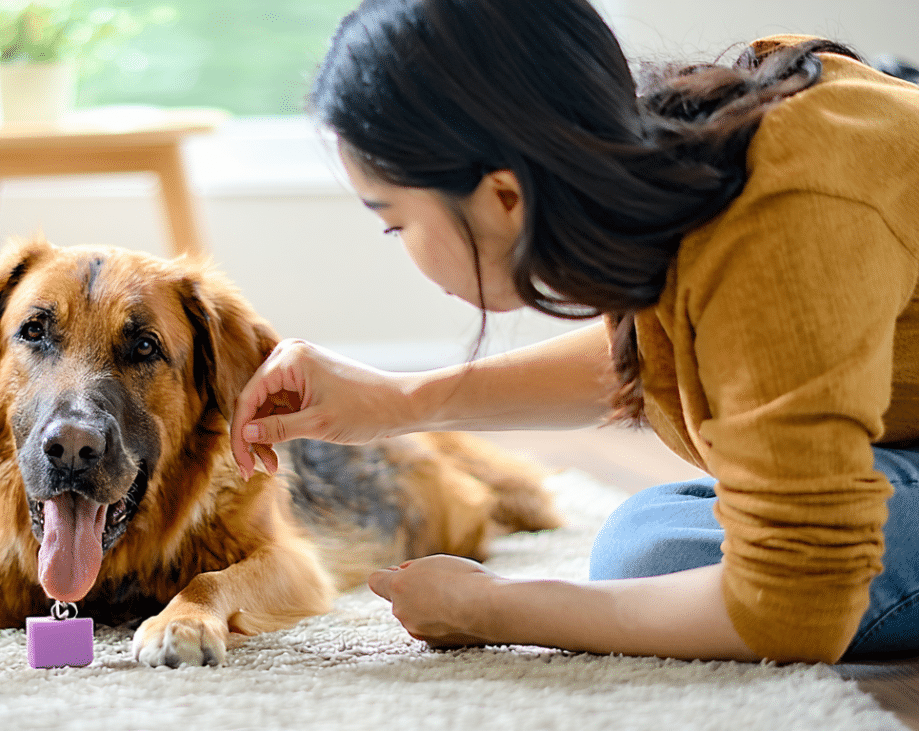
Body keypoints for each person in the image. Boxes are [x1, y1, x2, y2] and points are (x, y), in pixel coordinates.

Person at [228, 0, 919, 664]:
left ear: (503, 195)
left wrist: (492, 607)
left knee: (667, 558)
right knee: (649, 542)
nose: (399, 245)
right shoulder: (706, 157)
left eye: (395, 222)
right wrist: (400, 400)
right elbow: (690, 346)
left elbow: (796, 604)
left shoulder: (784, 223)